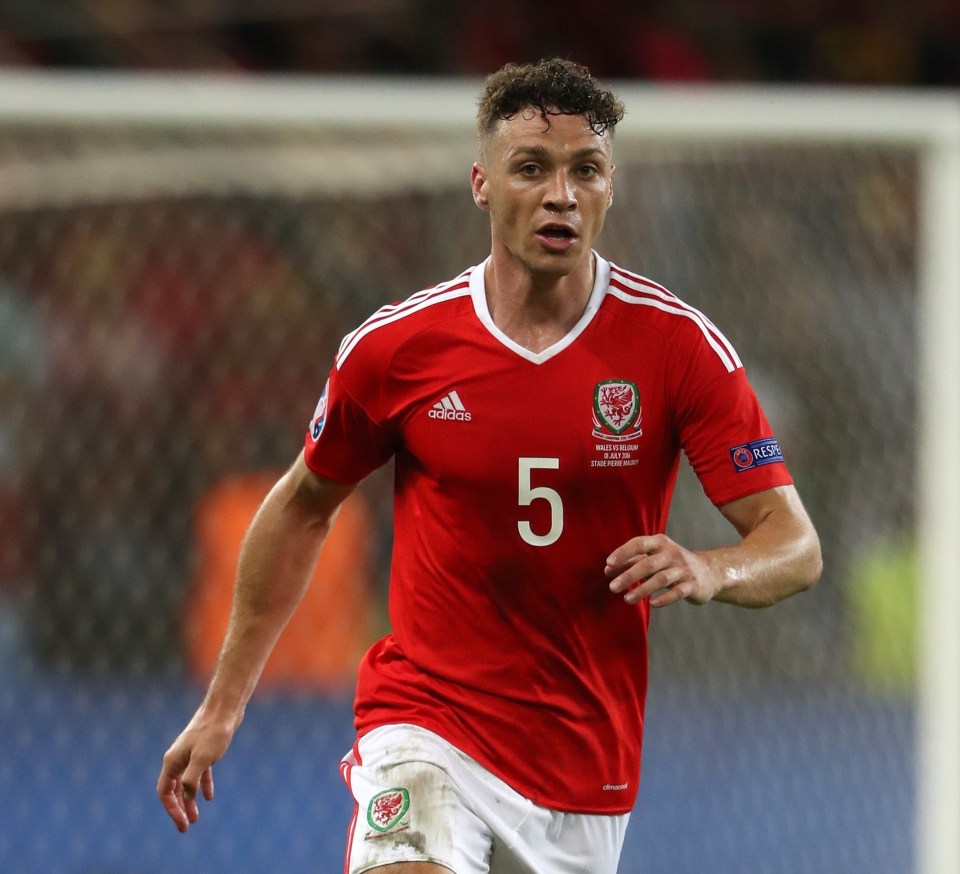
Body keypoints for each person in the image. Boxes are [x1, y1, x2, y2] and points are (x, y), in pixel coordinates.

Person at [158, 58, 822, 873]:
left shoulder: (676, 347)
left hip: (584, 764)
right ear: (482, 184)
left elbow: (793, 542)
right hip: (428, 725)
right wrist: (223, 706)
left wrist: (711, 566)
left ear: (613, 188)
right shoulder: (398, 349)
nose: (561, 194)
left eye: (587, 170)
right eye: (532, 169)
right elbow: (302, 504)